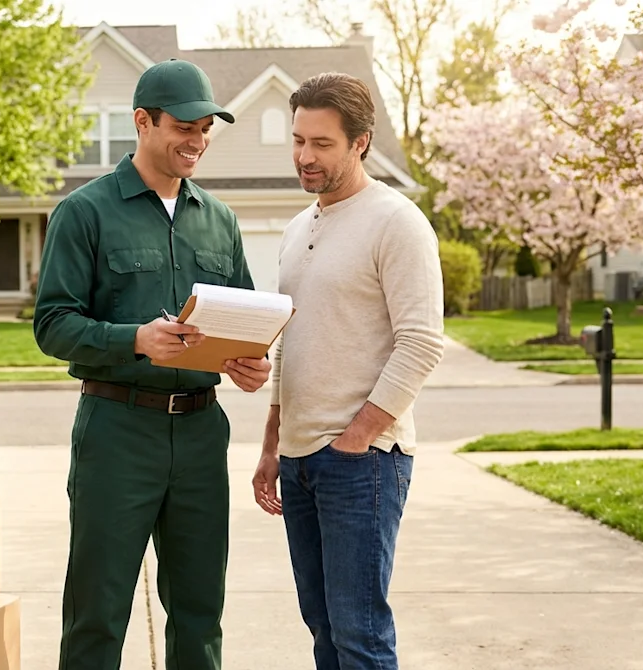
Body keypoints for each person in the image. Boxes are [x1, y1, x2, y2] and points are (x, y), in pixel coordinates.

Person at [34, 58, 272, 670]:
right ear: (143, 122)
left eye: (205, 129)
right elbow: (52, 324)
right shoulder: (84, 212)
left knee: (199, 610)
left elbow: (244, 320)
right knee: (98, 609)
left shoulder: (219, 220)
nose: (197, 141)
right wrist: (134, 339)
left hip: (199, 433)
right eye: (184, 127)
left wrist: (250, 364)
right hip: (118, 432)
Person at [251, 72, 445, 669]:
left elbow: (421, 343)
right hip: (301, 458)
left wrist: (355, 439)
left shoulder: (396, 222)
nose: (304, 156)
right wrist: (271, 444)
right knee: (324, 628)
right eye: (298, 140)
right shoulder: (296, 228)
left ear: (361, 142)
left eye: (322, 144)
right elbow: (292, 344)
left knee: (359, 633)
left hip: (363, 464)